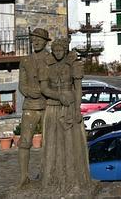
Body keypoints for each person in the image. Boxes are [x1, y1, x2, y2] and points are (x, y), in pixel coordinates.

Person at [38, 37, 97, 194]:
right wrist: (59, 97)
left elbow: (78, 89)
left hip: (69, 108)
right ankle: (52, 179)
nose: (57, 53)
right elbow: (44, 88)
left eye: (60, 50)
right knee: (52, 143)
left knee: (70, 143)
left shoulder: (74, 65)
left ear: (65, 51)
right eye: (55, 50)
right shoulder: (46, 66)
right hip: (53, 107)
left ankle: (72, 179)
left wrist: (77, 109)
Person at [17, 28, 51, 188]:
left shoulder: (51, 59)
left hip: (47, 105)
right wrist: (31, 92)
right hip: (30, 105)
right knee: (24, 142)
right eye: (34, 39)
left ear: (45, 42)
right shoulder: (25, 61)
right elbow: (22, 84)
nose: (36, 42)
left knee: (49, 141)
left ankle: (48, 173)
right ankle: (24, 176)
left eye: (39, 39)